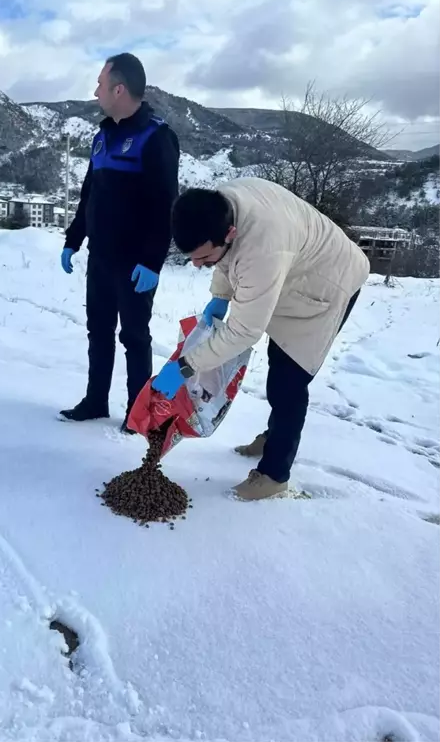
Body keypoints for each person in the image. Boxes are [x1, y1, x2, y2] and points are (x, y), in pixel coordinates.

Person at [152, 177, 370, 500]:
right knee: (277, 367)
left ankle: (274, 476)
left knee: (289, 381)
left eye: (203, 258)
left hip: (328, 286)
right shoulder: (221, 205)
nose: (196, 266)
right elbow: (226, 260)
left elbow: (243, 332)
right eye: (192, 258)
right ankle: (274, 436)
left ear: (230, 234)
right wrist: (220, 295)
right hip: (293, 273)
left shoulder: (262, 248)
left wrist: (185, 366)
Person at [60, 53, 180, 432]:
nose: (95, 91)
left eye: (100, 83)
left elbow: (166, 205)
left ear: (119, 88)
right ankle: (96, 400)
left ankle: (137, 411)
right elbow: (89, 194)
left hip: (135, 263)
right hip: (101, 257)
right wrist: (74, 238)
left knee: (134, 336)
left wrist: (153, 261)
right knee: (98, 331)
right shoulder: (102, 137)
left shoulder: (156, 137)